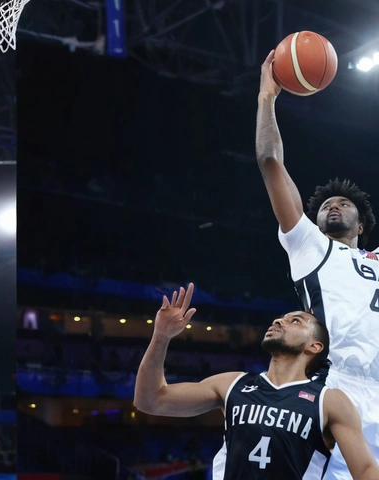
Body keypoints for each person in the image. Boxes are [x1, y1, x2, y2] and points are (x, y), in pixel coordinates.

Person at [256, 49, 379, 479]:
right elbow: (271, 162)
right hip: (336, 386)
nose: (334, 206)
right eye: (326, 204)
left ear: (361, 224)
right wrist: (267, 98)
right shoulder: (311, 246)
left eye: (343, 204)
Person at [134, 283, 379, 479]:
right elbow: (151, 401)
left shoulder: (329, 401)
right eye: (281, 318)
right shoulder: (232, 384)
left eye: (295, 321)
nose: (278, 321)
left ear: (315, 346)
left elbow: (366, 471)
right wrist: (161, 337)